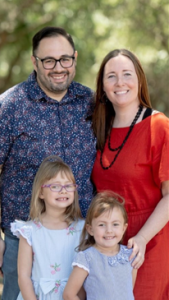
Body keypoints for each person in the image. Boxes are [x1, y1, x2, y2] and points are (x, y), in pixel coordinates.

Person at [0, 26, 96, 299]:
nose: (58, 67)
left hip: (83, 239)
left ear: (75, 58)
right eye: (48, 60)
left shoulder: (91, 103)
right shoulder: (6, 109)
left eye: (65, 59)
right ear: (34, 61)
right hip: (25, 241)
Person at [91, 49, 169, 300]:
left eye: (127, 74)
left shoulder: (159, 126)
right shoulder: (97, 127)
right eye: (111, 76)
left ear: (140, 80)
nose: (120, 82)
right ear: (102, 87)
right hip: (107, 241)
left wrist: (143, 238)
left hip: (149, 240)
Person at [11, 155, 85, 300]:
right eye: (55, 186)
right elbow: (24, 276)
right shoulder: (29, 231)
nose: (63, 191)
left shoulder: (82, 229)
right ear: (40, 193)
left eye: (68, 185)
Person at [63, 191, 137, 300]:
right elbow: (69, 295)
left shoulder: (130, 255)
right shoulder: (86, 258)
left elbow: (128, 291)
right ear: (90, 229)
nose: (109, 230)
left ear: (124, 228)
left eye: (115, 224)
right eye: (102, 225)